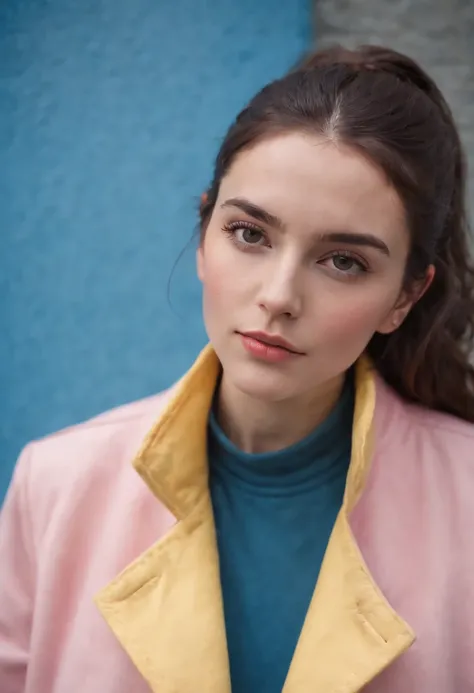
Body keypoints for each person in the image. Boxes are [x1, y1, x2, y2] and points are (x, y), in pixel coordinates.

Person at [1, 44, 474, 693]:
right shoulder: (54, 487)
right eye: (250, 234)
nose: (278, 296)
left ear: (404, 296)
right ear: (203, 235)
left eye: (344, 261)